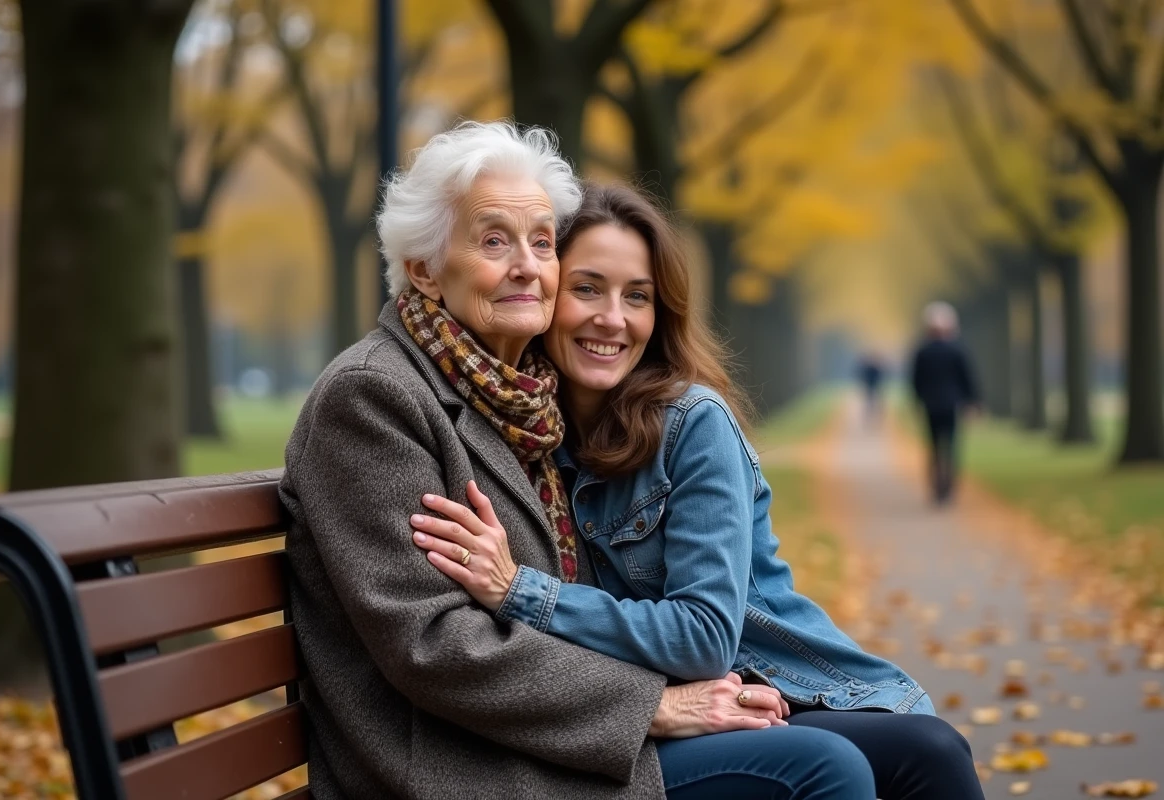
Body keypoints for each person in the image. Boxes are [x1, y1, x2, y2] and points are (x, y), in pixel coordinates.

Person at [282, 122, 876, 800]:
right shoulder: (375, 396)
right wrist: (653, 706)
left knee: (906, 753)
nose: (526, 266)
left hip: (544, 739)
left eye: (542, 243)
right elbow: (434, 643)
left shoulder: (520, 399)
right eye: (494, 241)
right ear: (423, 269)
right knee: (824, 770)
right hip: (458, 764)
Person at [410, 183, 986, 800]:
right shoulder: (522, 434)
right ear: (548, 294)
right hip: (648, 714)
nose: (613, 318)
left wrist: (521, 592)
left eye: (638, 296)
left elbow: (705, 638)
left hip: (773, 684)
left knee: (931, 750)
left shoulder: (692, 423)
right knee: (853, 763)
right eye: (587, 288)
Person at [909, 301, 979, 505]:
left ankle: (936, 484)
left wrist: (917, 400)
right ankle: (948, 485)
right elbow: (967, 378)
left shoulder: (923, 351)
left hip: (930, 405)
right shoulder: (957, 350)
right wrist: (973, 401)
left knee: (934, 446)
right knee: (951, 445)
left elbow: (916, 380)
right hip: (951, 405)